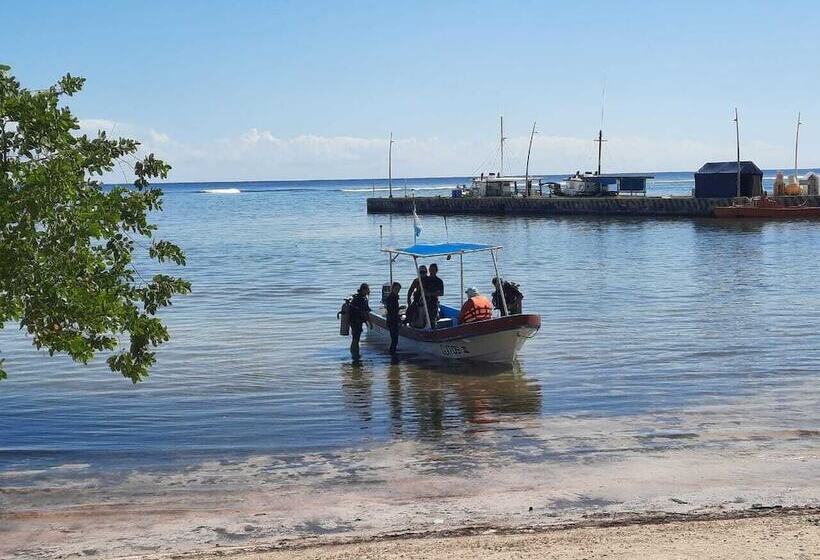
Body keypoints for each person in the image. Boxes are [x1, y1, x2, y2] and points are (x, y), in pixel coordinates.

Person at [348, 283, 371, 359]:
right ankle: (355, 354)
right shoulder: (361, 299)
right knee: (356, 339)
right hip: (356, 321)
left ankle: (354, 354)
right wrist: (369, 323)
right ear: (363, 290)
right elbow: (365, 312)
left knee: (355, 339)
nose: (369, 291)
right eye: (367, 289)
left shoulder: (358, 297)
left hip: (353, 321)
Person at [423, 263, 444, 327]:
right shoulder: (425, 279)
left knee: (432, 319)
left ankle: (433, 329)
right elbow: (422, 290)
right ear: (429, 270)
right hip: (425, 301)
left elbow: (441, 293)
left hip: (434, 302)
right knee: (424, 318)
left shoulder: (439, 281)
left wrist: (431, 294)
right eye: (431, 269)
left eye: (433, 270)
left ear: (436, 271)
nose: (432, 271)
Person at [385, 281, 401, 354]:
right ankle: (392, 354)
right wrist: (398, 320)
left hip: (392, 320)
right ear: (393, 288)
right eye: (396, 289)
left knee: (395, 340)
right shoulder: (392, 298)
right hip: (392, 321)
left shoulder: (394, 297)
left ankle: (392, 355)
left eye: (398, 289)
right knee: (394, 339)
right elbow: (392, 310)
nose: (397, 291)